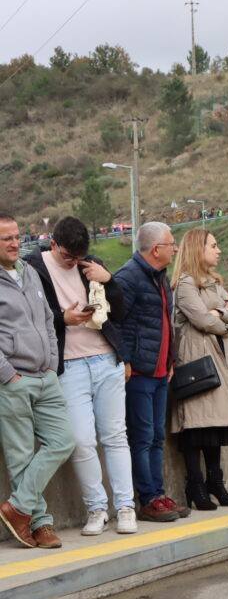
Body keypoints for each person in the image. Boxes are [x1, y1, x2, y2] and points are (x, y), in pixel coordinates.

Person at [25, 216, 137, 535]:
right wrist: (64, 318)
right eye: (68, 256)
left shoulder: (91, 264)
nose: (73, 262)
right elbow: (31, 317)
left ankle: (125, 507)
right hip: (68, 365)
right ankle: (97, 508)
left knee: (115, 436)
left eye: (78, 256)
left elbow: (120, 311)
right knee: (81, 441)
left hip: (106, 358)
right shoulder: (33, 268)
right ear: (53, 244)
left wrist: (109, 280)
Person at [0, 213, 75, 548]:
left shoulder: (29, 272)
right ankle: (40, 523)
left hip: (45, 376)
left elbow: (46, 319)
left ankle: (17, 507)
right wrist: (8, 375)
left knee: (63, 441)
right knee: (20, 456)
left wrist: (52, 364)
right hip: (13, 379)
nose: (15, 243)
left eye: (17, 236)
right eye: (7, 239)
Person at [168, 229, 228, 510]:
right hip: (196, 361)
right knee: (196, 424)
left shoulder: (214, 283)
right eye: (213, 246)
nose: (219, 250)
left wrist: (222, 313)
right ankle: (195, 485)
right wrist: (222, 319)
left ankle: (216, 482)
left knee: (216, 422)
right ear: (197, 249)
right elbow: (203, 320)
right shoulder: (185, 284)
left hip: (217, 358)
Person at [114, 222, 188, 522]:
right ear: (156, 249)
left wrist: (170, 360)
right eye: (171, 244)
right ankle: (147, 499)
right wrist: (125, 360)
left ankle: (158, 494)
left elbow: (165, 324)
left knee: (157, 436)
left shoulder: (159, 277)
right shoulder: (128, 277)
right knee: (142, 437)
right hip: (139, 374)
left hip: (159, 373)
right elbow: (115, 324)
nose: (175, 249)